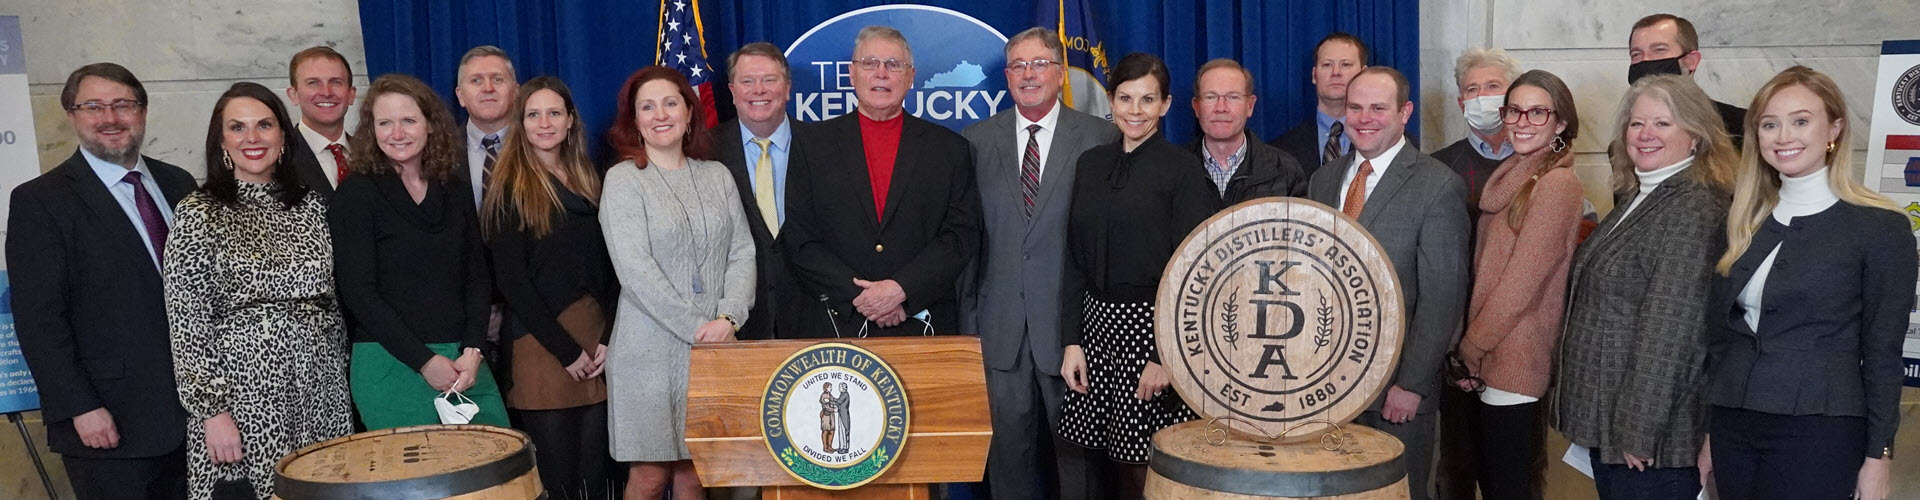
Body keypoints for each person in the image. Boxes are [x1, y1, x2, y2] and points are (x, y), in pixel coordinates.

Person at [1704, 66, 1908, 500]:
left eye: (1800, 121)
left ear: (1834, 128)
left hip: (1821, 429)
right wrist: (1707, 432)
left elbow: (1883, 353)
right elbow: (1719, 339)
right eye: (1769, 124)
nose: (1783, 136)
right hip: (1733, 424)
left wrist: (1879, 457)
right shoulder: (1741, 222)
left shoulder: (1879, 227)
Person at [8, 62, 195, 500]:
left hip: (197, 419)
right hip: (109, 423)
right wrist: (81, 406)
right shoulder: (41, 202)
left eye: (123, 105)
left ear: (143, 112)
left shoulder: (178, 183)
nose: (110, 118)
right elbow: (39, 320)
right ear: (72, 115)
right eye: (93, 106)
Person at [165, 81, 353, 499]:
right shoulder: (199, 212)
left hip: (321, 387)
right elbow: (187, 319)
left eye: (264, 125)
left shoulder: (312, 205)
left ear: (283, 137)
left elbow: (334, 299)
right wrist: (213, 412)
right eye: (238, 127)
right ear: (222, 141)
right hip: (245, 397)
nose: (252, 138)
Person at [1553, 74, 1735, 500]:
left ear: (1695, 136)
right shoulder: (1643, 194)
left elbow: (1672, 332)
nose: (1645, 134)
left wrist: (1640, 428)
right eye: (1636, 123)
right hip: (1611, 423)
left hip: (1651, 441)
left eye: (1662, 124)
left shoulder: (1694, 208)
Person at [958, 26, 1119, 500]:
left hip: (1074, 334)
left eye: (1039, 64)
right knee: (1008, 466)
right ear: (1007, 76)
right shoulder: (974, 139)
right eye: (1018, 66)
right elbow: (967, 242)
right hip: (999, 330)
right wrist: (968, 327)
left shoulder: (1100, 137)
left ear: (1058, 71)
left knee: (1080, 467)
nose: (1029, 75)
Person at [1055, 52, 1221, 500]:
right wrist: (1073, 341)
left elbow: (1195, 272)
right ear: (1110, 100)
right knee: (1097, 460)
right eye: (1125, 98)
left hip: (1151, 331)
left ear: (1166, 105)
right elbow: (1074, 258)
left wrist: (1167, 355)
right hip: (1095, 328)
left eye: (1147, 99)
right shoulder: (1090, 164)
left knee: (1143, 464)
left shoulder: (1183, 170)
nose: (1135, 109)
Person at [1305, 66, 1471, 500]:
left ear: (1405, 112)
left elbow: (1442, 298)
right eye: (1355, 107)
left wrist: (1412, 384)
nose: (1364, 118)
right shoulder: (1323, 180)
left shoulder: (1438, 186)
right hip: (1324, 391)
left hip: (1395, 394)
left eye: (1378, 108)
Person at [600, 65, 755, 500]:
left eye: (670, 103)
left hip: (716, 346)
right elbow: (634, 270)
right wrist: (698, 330)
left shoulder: (717, 176)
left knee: (695, 474)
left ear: (689, 112)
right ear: (635, 120)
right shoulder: (624, 180)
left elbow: (742, 253)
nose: (660, 114)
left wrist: (729, 317)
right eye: (647, 107)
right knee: (649, 476)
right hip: (646, 354)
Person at [331, 74, 509, 430]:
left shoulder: (453, 188)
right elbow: (358, 292)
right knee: (418, 481)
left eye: (409, 120)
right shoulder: (356, 193)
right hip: (391, 361)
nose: (397, 133)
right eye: (385, 123)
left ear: (430, 124)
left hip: (463, 361)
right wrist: (425, 361)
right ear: (371, 129)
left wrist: (473, 352)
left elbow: (476, 276)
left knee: (494, 472)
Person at [782, 26, 981, 337]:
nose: (881, 74)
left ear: (911, 76)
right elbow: (800, 238)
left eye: (893, 65)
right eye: (870, 63)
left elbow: (960, 236)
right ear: (852, 73)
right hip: (838, 321)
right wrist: (863, 297)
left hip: (921, 321)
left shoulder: (949, 148)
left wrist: (902, 290)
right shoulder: (812, 144)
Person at [480, 76, 616, 499]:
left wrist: (610, 339)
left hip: (598, 344)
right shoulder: (510, 186)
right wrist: (566, 350)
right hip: (543, 346)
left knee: (597, 474)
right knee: (559, 479)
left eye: (554, 112)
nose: (544, 122)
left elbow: (611, 268)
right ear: (520, 123)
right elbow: (512, 283)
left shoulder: (588, 178)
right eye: (533, 114)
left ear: (571, 121)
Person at [1452, 70, 1583, 500]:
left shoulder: (1557, 183)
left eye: (1538, 112)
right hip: (1492, 353)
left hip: (1515, 359)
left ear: (1560, 123)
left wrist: (1471, 347)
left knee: (1510, 487)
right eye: (1515, 110)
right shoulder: (1517, 173)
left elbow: (1522, 283)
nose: (1523, 121)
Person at [714, 42, 814, 340]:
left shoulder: (823, 146)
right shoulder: (706, 151)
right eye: (747, 81)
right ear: (732, 91)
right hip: (733, 322)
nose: (759, 90)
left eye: (769, 80)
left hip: (812, 316)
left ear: (787, 88)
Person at [1185, 58, 1307, 203]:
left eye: (1233, 97)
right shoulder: (1173, 168)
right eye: (1211, 97)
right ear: (1197, 107)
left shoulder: (1286, 170)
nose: (1221, 108)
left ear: (1249, 105)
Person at [1430, 47, 1521, 224]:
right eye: (1472, 89)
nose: (1481, 96)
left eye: (1493, 86)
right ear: (1461, 104)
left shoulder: (1538, 158)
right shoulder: (1438, 166)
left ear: (1514, 97)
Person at [1627, 14, 1746, 146]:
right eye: (1636, 54)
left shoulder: (1740, 126)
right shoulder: (1627, 140)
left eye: (1659, 50)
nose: (1646, 60)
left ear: (1691, 61)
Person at [1270, 33, 1367, 177]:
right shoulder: (1279, 151)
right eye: (1327, 65)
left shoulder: (1388, 144)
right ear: (1314, 75)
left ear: (1364, 74)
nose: (1336, 72)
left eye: (1345, 65)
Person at [454, 45, 522, 210]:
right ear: (460, 95)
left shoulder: (536, 145)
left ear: (516, 92)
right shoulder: (439, 149)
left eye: (497, 79)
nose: (488, 88)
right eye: (476, 80)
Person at [284, 45, 357, 198]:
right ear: (293, 94)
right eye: (313, 83)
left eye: (336, 82)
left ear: (351, 94)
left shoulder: (374, 156)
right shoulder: (279, 158)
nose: (326, 92)